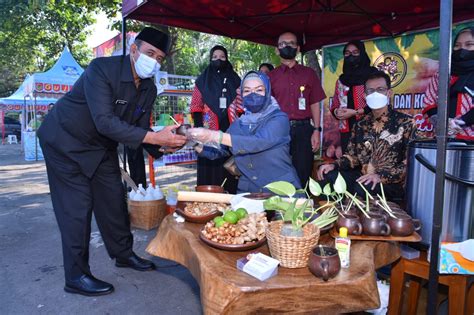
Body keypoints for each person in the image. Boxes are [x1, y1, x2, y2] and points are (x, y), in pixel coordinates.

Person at [37, 27, 187, 296]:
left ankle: (123, 254)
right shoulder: (101, 69)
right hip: (65, 142)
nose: (154, 61)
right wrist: (154, 138)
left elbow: (140, 131)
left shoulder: (149, 88)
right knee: (77, 208)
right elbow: (105, 121)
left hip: (101, 147)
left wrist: (165, 145)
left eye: (160, 58)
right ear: (133, 49)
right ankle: (76, 276)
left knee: (114, 200)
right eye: (150, 53)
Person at [188, 71, 301, 192]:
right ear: (241, 95)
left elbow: (257, 142)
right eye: (247, 91)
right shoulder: (238, 124)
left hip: (281, 190)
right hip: (249, 191)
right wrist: (192, 142)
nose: (253, 94)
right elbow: (219, 150)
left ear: (267, 92)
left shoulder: (279, 119)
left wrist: (213, 135)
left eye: (259, 90)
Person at [316, 71, 418, 201]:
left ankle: (366, 219)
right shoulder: (360, 125)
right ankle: (336, 218)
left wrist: (379, 176)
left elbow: (410, 163)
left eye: (380, 89)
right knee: (328, 178)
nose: (375, 94)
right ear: (364, 96)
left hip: (391, 183)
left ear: (389, 93)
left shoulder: (407, 123)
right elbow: (352, 157)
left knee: (362, 187)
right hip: (363, 177)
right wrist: (333, 165)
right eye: (370, 91)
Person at [268, 31, 327, 187]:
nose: (287, 46)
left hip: (304, 130)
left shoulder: (309, 74)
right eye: (282, 44)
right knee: (278, 173)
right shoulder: (270, 77)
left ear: (298, 48)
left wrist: (316, 130)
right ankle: (280, 209)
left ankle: (301, 208)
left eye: (291, 43)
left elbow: (315, 103)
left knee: (303, 172)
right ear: (277, 49)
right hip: (279, 131)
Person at [190, 45, 241, 193]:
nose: (219, 60)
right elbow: (196, 107)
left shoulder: (236, 80)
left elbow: (241, 106)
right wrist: (200, 131)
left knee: (229, 167)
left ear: (227, 59)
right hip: (208, 131)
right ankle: (209, 196)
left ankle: (230, 198)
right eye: (215, 57)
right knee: (209, 165)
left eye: (222, 57)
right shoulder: (202, 81)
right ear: (210, 59)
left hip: (231, 132)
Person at [422, 27, 474, 140]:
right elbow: (429, 100)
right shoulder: (443, 72)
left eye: (469, 44)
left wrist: (461, 122)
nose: (462, 49)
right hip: (444, 141)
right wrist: (440, 122)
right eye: (457, 45)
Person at [330, 40, 378, 152]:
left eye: (355, 52)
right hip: (346, 131)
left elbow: (379, 104)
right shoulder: (341, 80)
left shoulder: (373, 76)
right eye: (347, 53)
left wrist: (356, 112)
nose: (351, 56)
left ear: (362, 53)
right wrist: (336, 112)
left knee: (368, 166)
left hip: (368, 129)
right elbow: (335, 103)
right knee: (348, 163)